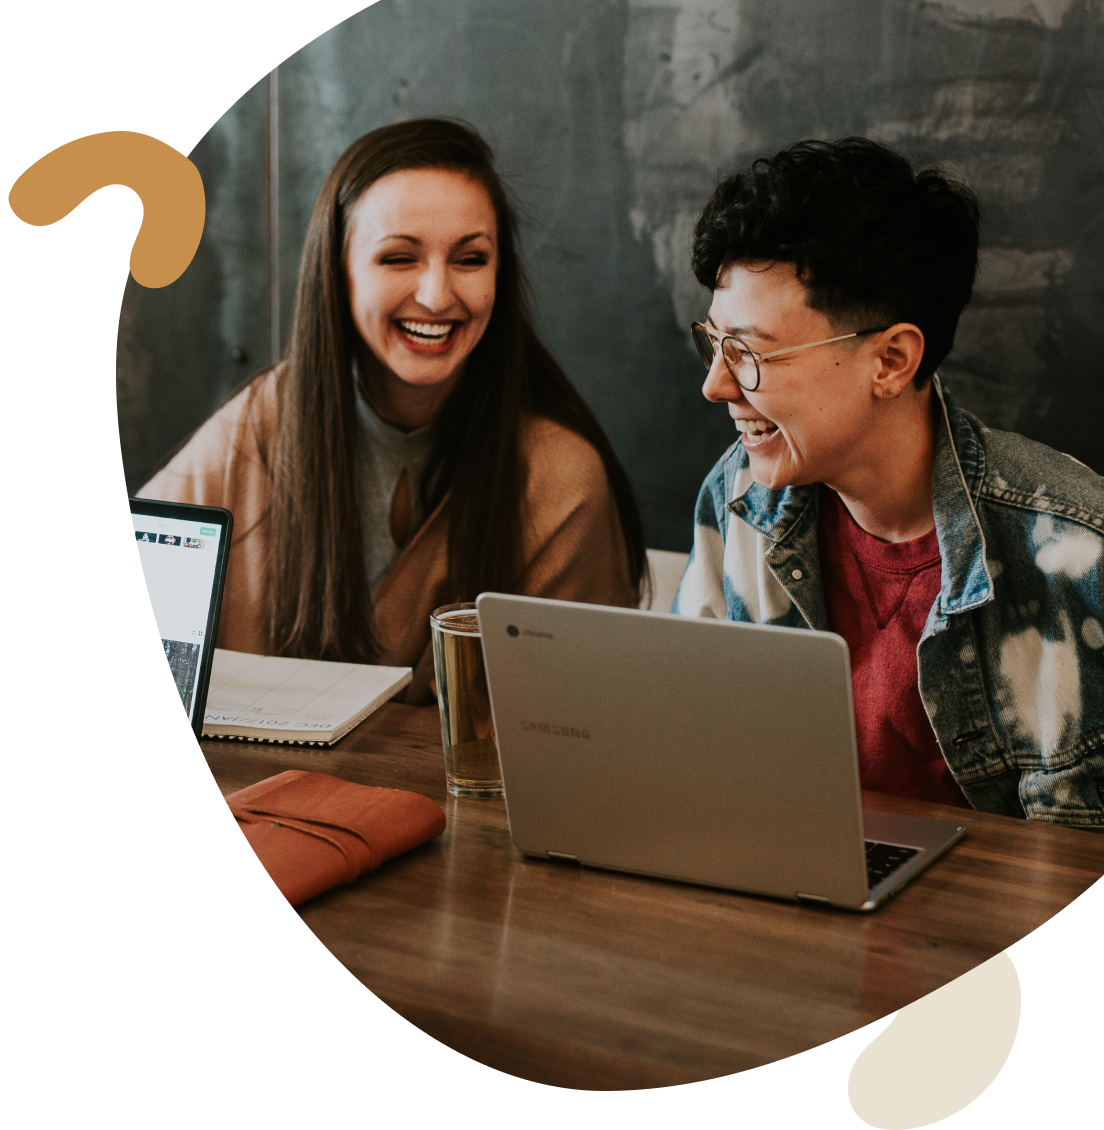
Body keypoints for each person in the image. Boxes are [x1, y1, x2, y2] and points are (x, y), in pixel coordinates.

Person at [673, 137, 1104, 830]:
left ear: (892, 360)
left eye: (749, 353)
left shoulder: (1076, 556)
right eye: (714, 342)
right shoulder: (739, 501)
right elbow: (688, 755)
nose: (715, 384)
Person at [140, 118, 645, 703]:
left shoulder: (560, 477)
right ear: (339, 272)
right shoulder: (258, 426)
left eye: (471, 259)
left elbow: (582, 729)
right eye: (398, 258)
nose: (436, 295)